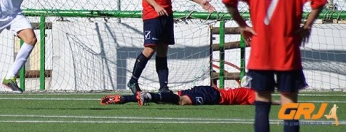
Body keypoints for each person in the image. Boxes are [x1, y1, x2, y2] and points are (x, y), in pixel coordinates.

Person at [222, 0, 327, 132]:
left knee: (262, 103)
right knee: (289, 104)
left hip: (261, 51)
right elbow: (319, 1)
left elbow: (228, 1)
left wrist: (243, 25)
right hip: (287, 50)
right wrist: (307, 26)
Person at [100, 85, 256, 106]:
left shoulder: (246, 89)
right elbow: (263, 100)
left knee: (172, 97)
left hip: (208, 89)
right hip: (214, 96)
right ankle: (148, 96)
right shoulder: (252, 93)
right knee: (181, 101)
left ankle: (125, 99)